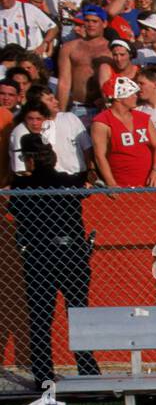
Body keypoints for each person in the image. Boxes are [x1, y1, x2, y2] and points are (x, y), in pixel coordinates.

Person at [9, 131, 99, 385]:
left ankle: (44, 375)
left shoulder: (23, 185)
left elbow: (15, 210)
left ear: (29, 158)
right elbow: (87, 186)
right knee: (79, 314)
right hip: (72, 254)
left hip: (40, 256)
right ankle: (88, 370)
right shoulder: (67, 181)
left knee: (40, 318)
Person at [90, 75, 156, 187]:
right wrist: (111, 183)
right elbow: (100, 156)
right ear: (119, 98)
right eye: (132, 94)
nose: (136, 96)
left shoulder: (143, 118)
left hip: (149, 183)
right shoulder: (102, 122)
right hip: (121, 185)